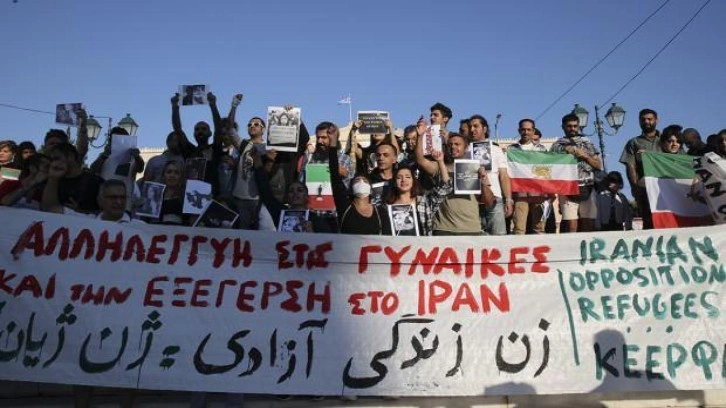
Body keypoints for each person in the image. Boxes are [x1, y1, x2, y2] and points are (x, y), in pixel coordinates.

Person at [415, 125, 494, 235]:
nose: (453, 147)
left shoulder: (475, 169)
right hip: (443, 229)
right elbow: (420, 160)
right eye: (450, 144)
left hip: (471, 229)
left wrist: (483, 182)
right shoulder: (439, 166)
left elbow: (489, 202)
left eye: (457, 144)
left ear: (465, 148)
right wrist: (420, 136)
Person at [328, 130, 390, 235]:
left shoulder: (381, 212)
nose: (361, 182)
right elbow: (334, 175)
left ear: (371, 189)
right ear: (351, 188)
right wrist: (333, 143)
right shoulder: (344, 206)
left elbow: (388, 239)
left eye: (365, 181)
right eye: (357, 181)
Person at [551, 113, 602, 233]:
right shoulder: (557, 145)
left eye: (575, 126)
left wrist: (584, 156)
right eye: (569, 126)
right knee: (571, 226)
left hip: (588, 186)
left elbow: (598, 165)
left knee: (588, 224)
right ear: (563, 127)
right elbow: (552, 169)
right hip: (567, 189)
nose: (572, 128)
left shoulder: (587, 142)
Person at [386, 153, 452, 236]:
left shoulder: (424, 202)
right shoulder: (387, 206)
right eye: (399, 177)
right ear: (395, 182)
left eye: (408, 177)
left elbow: (445, 187)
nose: (403, 180)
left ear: (413, 181)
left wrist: (440, 161)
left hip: (421, 246)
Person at [468, 114, 512, 235]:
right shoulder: (465, 150)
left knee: (498, 239)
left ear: (485, 129)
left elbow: (503, 176)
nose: (472, 130)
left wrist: (508, 199)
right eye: (470, 127)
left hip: (495, 200)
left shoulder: (496, 149)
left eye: (476, 126)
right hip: (473, 201)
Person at [619, 108, 660, 230]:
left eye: (649, 119)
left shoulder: (666, 139)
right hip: (644, 186)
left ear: (656, 120)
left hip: (666, 185)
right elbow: (630, 165)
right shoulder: (634, 142)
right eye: (643, 119)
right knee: (648, 218)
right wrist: (635, 186)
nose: (646, 122)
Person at [509, 118, 549, 235]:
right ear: (519, 131)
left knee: (539, 228)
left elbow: (547, 170)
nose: (526, 132)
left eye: (528, 129)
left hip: (539, 192)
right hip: (520, 193)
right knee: (519, 229)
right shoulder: (512, 149)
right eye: (523, 129)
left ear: (533, 131)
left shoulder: (541, 149)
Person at [41, 143, 104, 214]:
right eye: (51, 160)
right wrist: (53, 179)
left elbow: (107, 213)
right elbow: (47, 209)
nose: (53, 163)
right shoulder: (50, 180)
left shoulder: (96, 181)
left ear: (71, 156)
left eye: (56, 158)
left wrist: (77, 212)